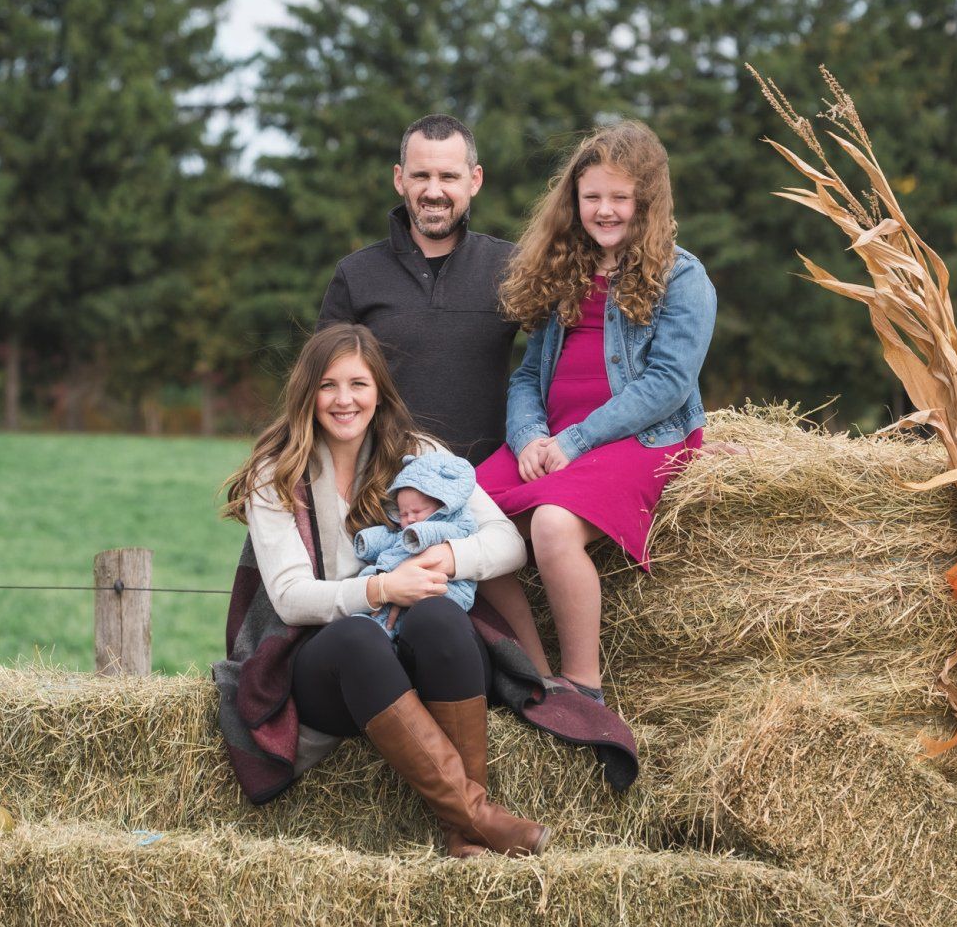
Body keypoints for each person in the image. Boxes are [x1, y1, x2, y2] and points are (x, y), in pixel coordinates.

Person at [213, 323, 549, 858]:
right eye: (328, 385)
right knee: (357, 640)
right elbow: (292, 598)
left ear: (379, 391)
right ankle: (478, 817)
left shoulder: (422, 456)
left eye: (358, 384)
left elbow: (508, 542)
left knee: (440, 615)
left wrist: (450, 556)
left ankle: (464, 839)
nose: (344, 400)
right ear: (307, 393)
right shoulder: (275, 474)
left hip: (423, 657)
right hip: (330, 668)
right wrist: (382, 587)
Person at [474, 121, 716, 704]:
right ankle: (533, 673)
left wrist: (574, 443)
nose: (604, 210)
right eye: (592, 197)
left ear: (647, 201)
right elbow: (529, 375)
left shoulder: (683, 277)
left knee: (554, 525)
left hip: (640, 439)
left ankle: (583, 687)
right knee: (465, 512)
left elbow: (667, 384)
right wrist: (531, 437)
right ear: (574, 200)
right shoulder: (567, 270)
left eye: (619, 197)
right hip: (555, 437)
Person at [318, 114, 518, 463]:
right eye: (421, 175)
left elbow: (556, 367)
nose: (433, 191)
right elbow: (321, 385)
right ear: (400, 179)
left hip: (488, 487)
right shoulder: (355, 274)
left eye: (449, 177)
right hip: (383, 484)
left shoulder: (512, 267)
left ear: (475, 180)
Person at [353, 451, 480, 635]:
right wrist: (368, 542)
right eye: (403, 514)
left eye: (417, 511)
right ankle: (368, 625)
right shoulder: (405, 532)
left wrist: (421, 533)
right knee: (372, 586)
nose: (410, 519)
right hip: (394, 583)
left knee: (411, 616)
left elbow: (453, 533)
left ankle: (385, 631)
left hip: (445, 589)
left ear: (440, 505)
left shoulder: (457, 522)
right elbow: (391, 537)